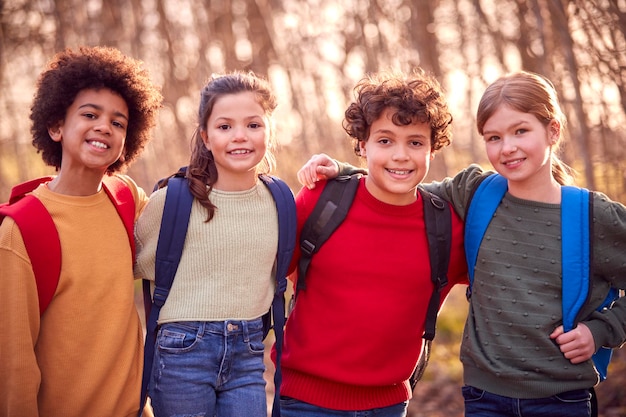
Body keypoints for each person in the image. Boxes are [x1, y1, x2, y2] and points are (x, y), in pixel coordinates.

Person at [298, 71, 626, 417]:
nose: (508, 147)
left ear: (553, 131)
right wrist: (345, 170)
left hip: (562, 398)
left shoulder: (591, 216)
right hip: (483, 397)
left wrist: (602, 329)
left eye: (521, 131)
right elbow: (402, 185)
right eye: (494, 137)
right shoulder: (475, 192)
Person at [278, 69, 468, 417]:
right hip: (304, 401)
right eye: (385, 140)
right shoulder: (320, 200)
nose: (400, 155)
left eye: (415, 142)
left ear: (432, 149)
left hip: (389, 405)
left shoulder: (447, 227)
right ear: (362, 145)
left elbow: (510, 280)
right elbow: (264, 273)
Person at [0, 46, 162, 416]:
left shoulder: (126, 198)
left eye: (118, 122)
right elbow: (14, 365)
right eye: (90, 114)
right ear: (56, 126)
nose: (104, 126)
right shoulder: (21, 230)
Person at [134, 71, 288, 417]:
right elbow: (127, 262)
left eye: (253, 125)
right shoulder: (171, 201)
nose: (240, 137)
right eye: (224, 127)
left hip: (248, 352)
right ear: (205, 136)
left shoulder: (280, 201)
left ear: (270, 131)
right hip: (181, 354)